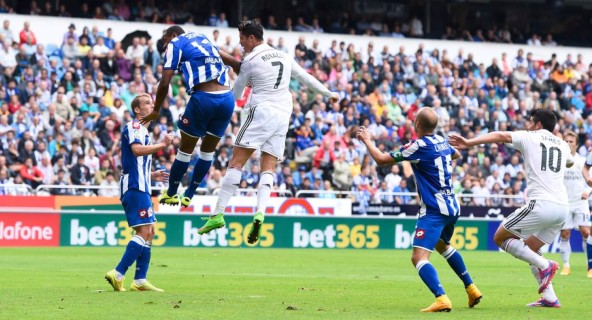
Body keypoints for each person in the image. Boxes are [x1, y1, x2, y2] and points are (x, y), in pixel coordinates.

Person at [198, 20, 338, 244]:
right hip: (284, 114)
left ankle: (218, 213)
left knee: (236, 163)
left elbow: (235, 94)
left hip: (262, 111)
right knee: (268, 167)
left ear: (252, 38)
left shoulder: (250, 61)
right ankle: (260, 212)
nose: (241, 43)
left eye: (242, 38)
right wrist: (329, 93)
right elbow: (306, 78)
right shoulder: (283, 55)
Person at [357, 107, 481, 312]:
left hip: (434, 209)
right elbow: (456, 153)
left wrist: (367, 140)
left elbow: (381, 159)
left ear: (416, 125)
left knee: (418, 257)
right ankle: (471, 288)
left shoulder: (417, 147)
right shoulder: (442, 141)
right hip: (452, 205)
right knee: (443, 246)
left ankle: (441, 298)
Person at [450, 109, 573, 308]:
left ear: (539, 125)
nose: (528, 125)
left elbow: (499, 135)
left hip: (541, 203)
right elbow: (568, 163)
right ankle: (550, 298)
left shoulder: (530, 137)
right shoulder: (563, 145)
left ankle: (546, 265)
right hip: (562, 208)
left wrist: (468, 142)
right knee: (530, 249)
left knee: (500, 237)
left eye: (531, 122)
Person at [142, 26, 235, 207]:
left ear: (174, 35)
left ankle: (171, 193)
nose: (165, 46)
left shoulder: (176, 43)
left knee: (185, 151)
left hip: (204, 99)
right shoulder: (202, 38)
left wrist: (156, 110)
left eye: (165, 40)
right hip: (227, 99)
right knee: (208, 152)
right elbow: (234, 62)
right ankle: (190, 193)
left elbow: (164, 83)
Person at [105, 93, 173, 292]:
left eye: (152, 102)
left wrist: (152, 174)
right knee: (144, 231)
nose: (152, 105)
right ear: (137, 109)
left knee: (150, 231)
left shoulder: (142, 130)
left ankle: (140, 280)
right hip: (135, 187)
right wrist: (162, 145)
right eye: (147, 103)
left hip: (141, 184)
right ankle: (118, 273)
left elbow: (135, 163)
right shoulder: (134, 126)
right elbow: (136, 150)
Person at [560, 130, 592, 277]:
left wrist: (588, 191)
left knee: (586, 232)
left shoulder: (583, 161)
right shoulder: (559, 162)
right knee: (565, 234)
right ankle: (566, 266)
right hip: (565, 203)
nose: (568, 144)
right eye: (565, 141)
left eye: (571, 141)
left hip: (581, 202)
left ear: (576, 144)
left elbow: (590, 181)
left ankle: (589, 266)